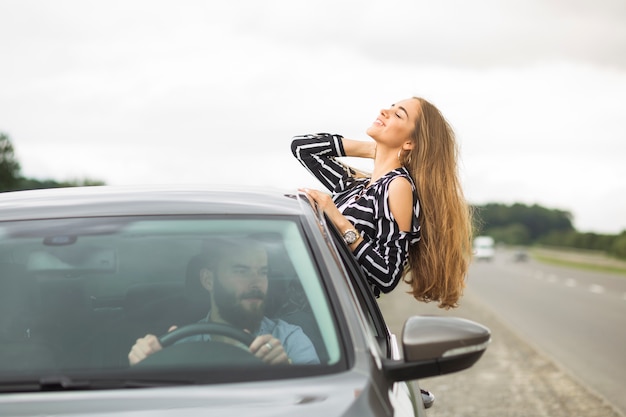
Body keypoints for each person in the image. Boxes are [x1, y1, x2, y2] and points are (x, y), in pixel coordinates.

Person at [291, 97, 473, 310]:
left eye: (398, 114)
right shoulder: (354, 185)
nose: (385, 110)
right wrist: (372, 150)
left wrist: (340, 222)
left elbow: (388, 275)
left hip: (344, 312)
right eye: (391, 106)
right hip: (317, 305)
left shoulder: (398, 186)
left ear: (410, 142)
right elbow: (302, 148)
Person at [128, 238, 320, 366]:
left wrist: (286, 369)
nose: (256, 282)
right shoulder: (181, 345)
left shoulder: (290, 340)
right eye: (241, 271)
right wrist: (146, 363)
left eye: (262, 272)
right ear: (208, 280)